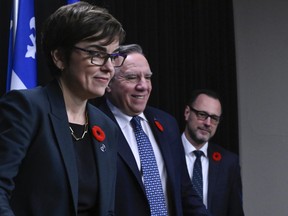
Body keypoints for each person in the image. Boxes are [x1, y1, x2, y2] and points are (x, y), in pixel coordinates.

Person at [0, 2, 126, 215]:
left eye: (113, 56)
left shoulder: (106, 126)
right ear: (59, 57)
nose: (109, 67)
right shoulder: (26, 108)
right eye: (96, 53)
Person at [96, 44, 210, 216]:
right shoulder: (93, 125)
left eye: (147, 77)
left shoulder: (167, 124)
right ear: (109, 83)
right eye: (132, 77)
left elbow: (184, 189)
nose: (143, 86)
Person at [182, 89, 244, 216]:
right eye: (202, 115)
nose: (208, 123)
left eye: (214, 118)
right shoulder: (167, 152)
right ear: (187, 113)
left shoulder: (228, 163)